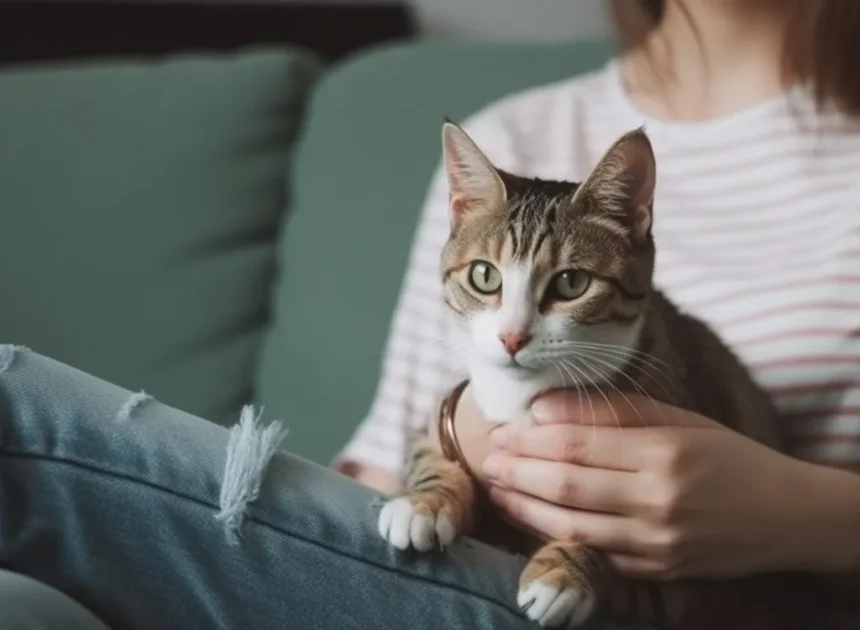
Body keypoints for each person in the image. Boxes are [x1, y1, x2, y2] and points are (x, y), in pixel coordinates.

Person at [1, 1, 859, 629]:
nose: (514, 325)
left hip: (719, 604)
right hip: (443, 573)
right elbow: (385, 488)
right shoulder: (508, 135)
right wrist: (459, 447)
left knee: (18, 412)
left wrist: (803, 515)